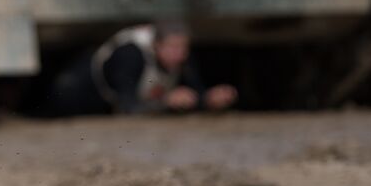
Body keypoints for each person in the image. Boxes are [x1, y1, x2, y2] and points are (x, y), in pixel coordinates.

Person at [47, 21, 237, 116]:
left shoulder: (181, 57)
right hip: (82, 91)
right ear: (156, 45)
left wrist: (208, 99)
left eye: (182, 48)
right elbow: (127, 107)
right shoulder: (131, 54)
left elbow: (193, 92)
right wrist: (166, 102)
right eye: (172, 48)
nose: (178, 54)